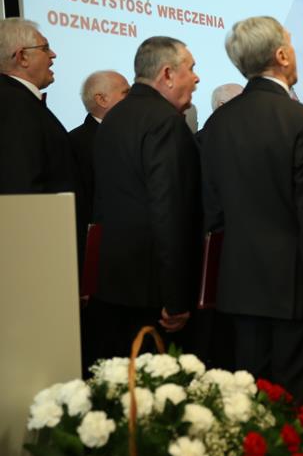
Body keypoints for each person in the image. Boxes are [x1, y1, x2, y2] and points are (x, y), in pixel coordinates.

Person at [201, 16, 303, 409]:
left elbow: (212, 214)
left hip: (236, 291)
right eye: (292, 45)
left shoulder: (217, 122)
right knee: (295, 410)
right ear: (281, 55)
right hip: (293, 292)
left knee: (251, 410)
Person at [92, 36, 202, 358]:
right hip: (156, 295)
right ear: (167, 74)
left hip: (114, 283)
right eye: (191, 68)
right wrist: (176, 298)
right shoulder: (166, 123)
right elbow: (169, 213)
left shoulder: (114, 118)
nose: (196, 78)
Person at [0, 18, 81, 203]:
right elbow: (21, 183)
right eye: (45, 48)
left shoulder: (17, 100)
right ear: (22, 57)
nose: (53, 55)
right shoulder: (15, 103)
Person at [69, 70, 130, 222]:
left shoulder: (132, 135)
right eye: (126, 93)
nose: (133, 99)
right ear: (102, 100)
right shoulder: (75, 143)